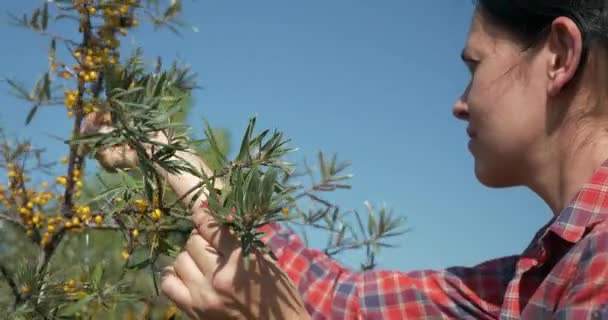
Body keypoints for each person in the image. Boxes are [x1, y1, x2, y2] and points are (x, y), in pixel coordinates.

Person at [83, 0, 608, 319]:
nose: (461, 101)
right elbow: (345, 299)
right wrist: (160, 151)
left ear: (558, 58)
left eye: (475, 65)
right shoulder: (535, 274)